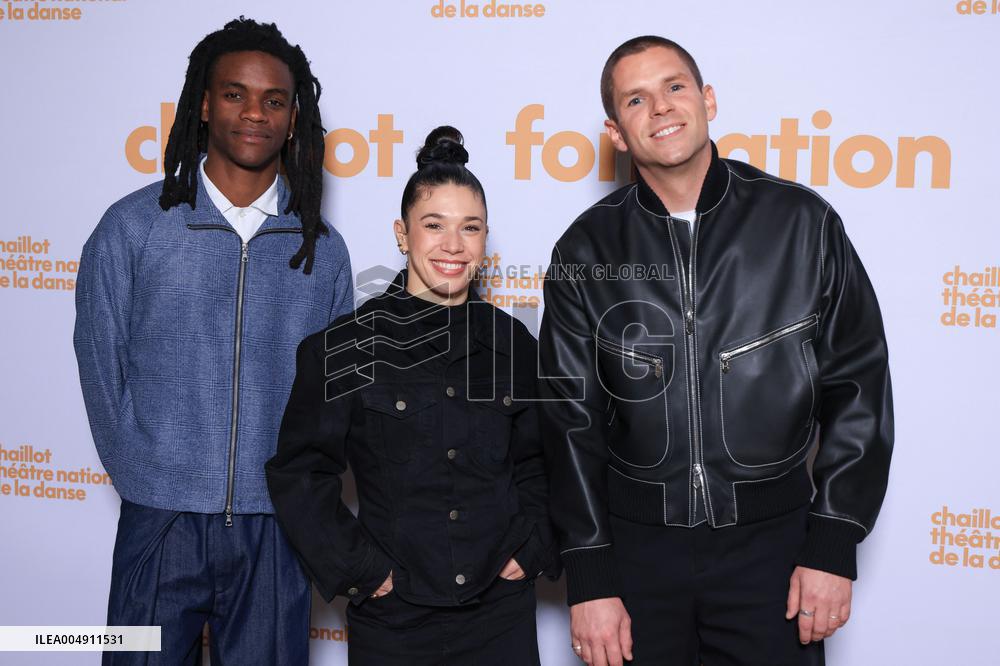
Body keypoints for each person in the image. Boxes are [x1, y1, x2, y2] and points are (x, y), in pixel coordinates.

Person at [539, 36, 893, 666]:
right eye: (636, 99)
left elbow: (859, 387)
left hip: (775, 553)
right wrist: (589, 573)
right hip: (638, 557)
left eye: (675, 87)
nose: (661, 108)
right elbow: (571, 422)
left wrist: (834, 541)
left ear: (706, 99)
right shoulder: (584, 251)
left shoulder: (802, 224)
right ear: (616, 131)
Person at [73, 18, 352, 664]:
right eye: (235, 94)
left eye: (274, 100)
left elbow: (334, 395)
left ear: (293, 118)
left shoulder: (323, 253)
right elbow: (99, 365)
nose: (254, 113)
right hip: (161, 522)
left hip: (275, 529)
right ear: (203, 102)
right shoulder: (132, 229)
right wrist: (149, 480)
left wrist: (293, 496)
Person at [266, 126, 559, 665]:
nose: (453, 245)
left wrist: (535, 542)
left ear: (485, 240)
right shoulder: (345, 347)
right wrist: (364, 572)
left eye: (470, 228)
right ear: (402, 234)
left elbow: (543, 460)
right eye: (434, 226)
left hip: (500, 616)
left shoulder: (514, 342)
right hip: (394, 621)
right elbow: (299, 473)